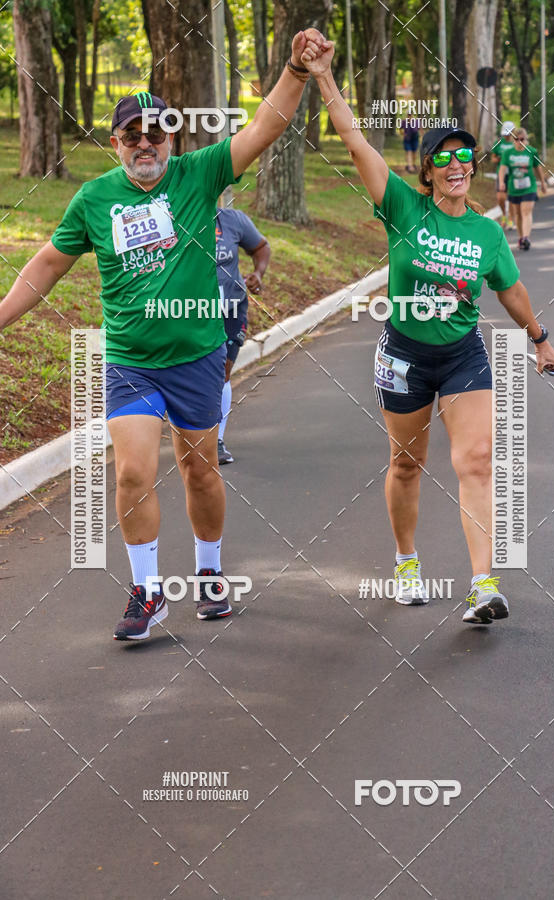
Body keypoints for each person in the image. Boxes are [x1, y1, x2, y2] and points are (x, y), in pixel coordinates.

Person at [0, 29, 319, 640]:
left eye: (157, 132)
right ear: (115, 143)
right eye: (133, 135)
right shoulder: (94, 199)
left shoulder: (199, 174)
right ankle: (147, 592)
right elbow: (45, 266)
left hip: (197, 357)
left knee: (200, 470)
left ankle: (209, 571)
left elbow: (265, 127)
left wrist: (297, 72)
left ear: (173, 137)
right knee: (131, 473)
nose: (145, 143)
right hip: (130, 361)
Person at [301, 34, 554, 625]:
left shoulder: (487, 232)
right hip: (404, 356)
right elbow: (354, 138)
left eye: (463, 155)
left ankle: (484, 585)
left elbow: (511, 291)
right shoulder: (402, 207)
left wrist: (540, 339)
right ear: (427, 170)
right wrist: (322, 76)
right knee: (405, 465)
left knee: (476, 461)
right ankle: (406, 561)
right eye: (442, 158)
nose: (455, 165)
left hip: (464, 355)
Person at [215, 207, 270, 464]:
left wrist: (258, 273)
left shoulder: (232, 220)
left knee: (222, 371)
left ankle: (216, 440)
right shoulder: (177, 218)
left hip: (232, 308)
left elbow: (261, 247)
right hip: (189, 311)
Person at [498, 128, 546, 251]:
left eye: (522, 139)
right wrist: (501, 182)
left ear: (526, 140)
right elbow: (502, 168)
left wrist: (543, 182)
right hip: (514, 188)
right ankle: (521, 237)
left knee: (526, 211)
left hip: (529, 187)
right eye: (516, 139)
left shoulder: (532, 151)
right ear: (513, 140)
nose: (519, 142)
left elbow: (538, 167)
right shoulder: (508, 153)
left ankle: (526, 237)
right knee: (518, 214)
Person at [491, 122, 515, 229]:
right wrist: (500, 159)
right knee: (501, 197)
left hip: (513, 174)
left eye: (509, 134)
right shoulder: (498, 143)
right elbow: (493, 159)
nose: (507, 136)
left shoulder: (516, 142)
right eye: (505, 134)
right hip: (502, 174)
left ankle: (510, 219)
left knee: (512, 198)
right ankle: (504, 215)